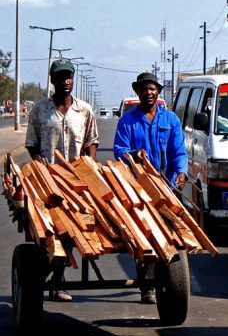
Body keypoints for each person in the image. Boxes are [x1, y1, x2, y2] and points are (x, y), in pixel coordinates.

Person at [25, 59, 100, 302]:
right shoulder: (40, 110)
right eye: (60, 77)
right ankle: (57, 279)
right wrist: (40, 167)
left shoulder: (84, 110)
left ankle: (57, 276)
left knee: (76, 226)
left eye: (69, 77)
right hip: (48, 181)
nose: (66, 82)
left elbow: (91, 141)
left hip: (77, 181)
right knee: (55, 228)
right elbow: (32, 144)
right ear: (52, 80)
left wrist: (89, 167)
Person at [114, 72, 188, 304]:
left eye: (152, 89)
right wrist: (133, 155)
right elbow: (119, 151)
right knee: (145, 235)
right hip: (137, 189)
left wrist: (182, 172)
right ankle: (147, 285)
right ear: (138, 93)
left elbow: (179, 152)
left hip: (166, 187)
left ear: (159, 92)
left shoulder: (171, 120)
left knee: (169, 234)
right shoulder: (128, 121)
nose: (149, 92)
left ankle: (167, 277)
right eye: (144, 89)